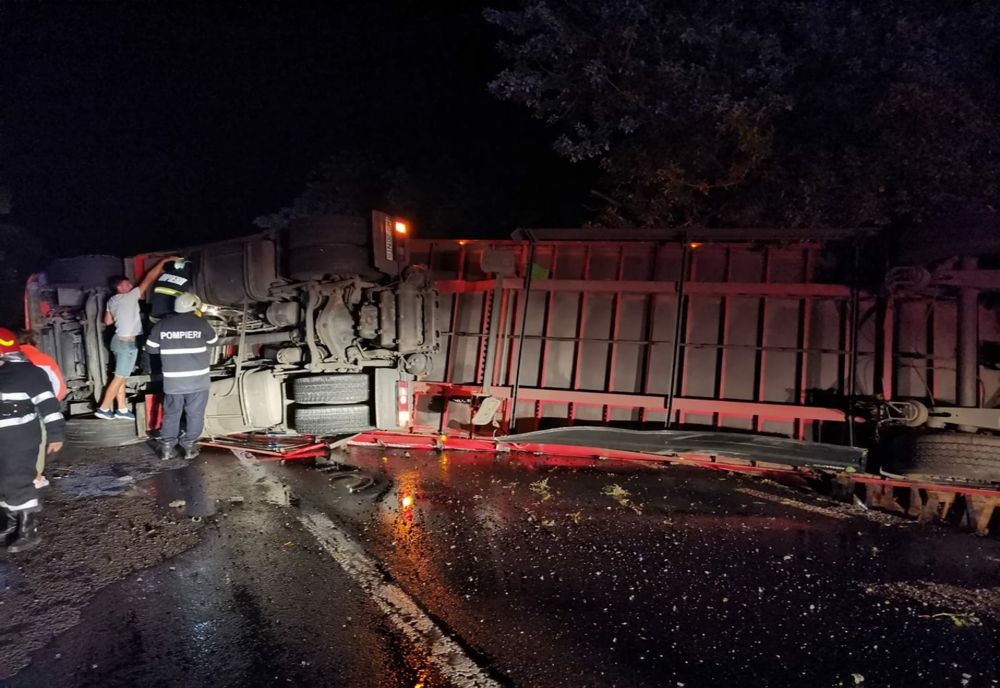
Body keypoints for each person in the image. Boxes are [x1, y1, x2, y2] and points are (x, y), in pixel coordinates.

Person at [0, 327, 65, 552]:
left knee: (17, 479)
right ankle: (9, 523)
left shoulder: (30, 374)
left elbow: (50, 406)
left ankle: (28, 531)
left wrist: (56, 435)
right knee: (2, 481)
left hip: (19, 438)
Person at [95, 255, 180, 420]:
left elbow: (107, 320)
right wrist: (162, 261)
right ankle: (104, 408)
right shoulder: (130, 296)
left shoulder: (112, 300)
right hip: (127, 343)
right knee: (119, 377)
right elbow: (149, 279)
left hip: (117, 341)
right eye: (127, 283)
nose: (131, 285)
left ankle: (122, 408)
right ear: (121, 286)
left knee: (122, 376)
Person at [146, 293, 218, 460]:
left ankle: (167, 449)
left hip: (174, 381)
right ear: (193, 306)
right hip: (198, 380)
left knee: (172, 413)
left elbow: (150, 348)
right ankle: (189, 447)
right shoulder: (201, 323)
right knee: (195, 414)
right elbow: (214, 341)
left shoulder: (162, 325)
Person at [16, 329, 67, 489]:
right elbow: (60, 387)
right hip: (38, 407)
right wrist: (51, 404)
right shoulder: (45, 359)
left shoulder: (7, 361)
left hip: (13, 408)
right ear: (34, 342)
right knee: (38, 441)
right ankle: (36, 477)